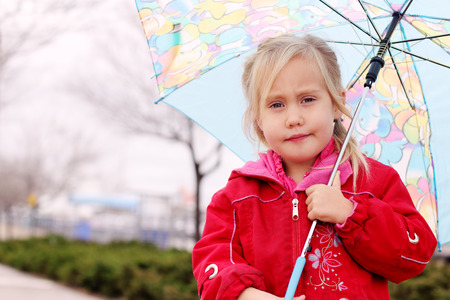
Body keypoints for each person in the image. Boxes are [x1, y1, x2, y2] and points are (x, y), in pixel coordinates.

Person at [192, 34, 437, 300]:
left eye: (307, 99)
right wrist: (247, 295)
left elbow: (414, 255)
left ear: (335, 104)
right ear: (258, 118)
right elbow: (212, 262)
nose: (294, 118)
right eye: (276, 105)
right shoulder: (238, 197)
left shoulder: (373, 181)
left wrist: (350, 212)